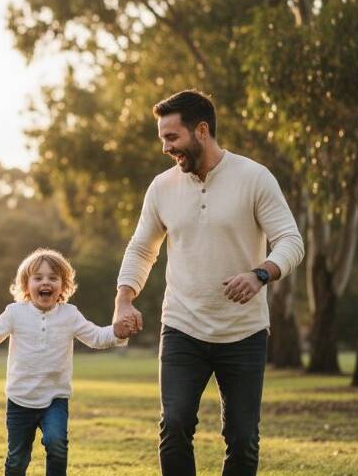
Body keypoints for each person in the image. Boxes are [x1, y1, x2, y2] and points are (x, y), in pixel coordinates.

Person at [112, 90, 305, 476]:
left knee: (243, 437)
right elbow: (141, 249)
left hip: (244, 332)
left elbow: (291, 240)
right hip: (183, 326)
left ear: (202, 130)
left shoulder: (254, 177)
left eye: (172, 137)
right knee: (176, 424)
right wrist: (124, 299)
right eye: (162, 138)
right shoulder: (162, 188)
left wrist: (260, 273)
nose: (166, 148)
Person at [0, 248, 135, 476]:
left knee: (56, 443)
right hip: (20, 400)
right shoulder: (15, 313)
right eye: (38, 278)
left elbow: (96, 337)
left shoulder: (70, 314)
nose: (45, 282)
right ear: (26, 285)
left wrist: (117, 332)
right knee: (17, 459)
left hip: (55, 398)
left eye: (53, 278)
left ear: (63, 286)